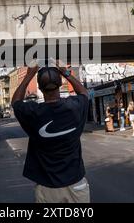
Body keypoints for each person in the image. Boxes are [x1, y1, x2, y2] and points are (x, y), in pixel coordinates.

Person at [11, 60, 90, 203]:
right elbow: (84, 93)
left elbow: (16, 103)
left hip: (47, 188)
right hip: (76, 184)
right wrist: (65, 73)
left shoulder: (33, 113)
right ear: (60, 84)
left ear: (40, 88)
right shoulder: (75, 107)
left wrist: (29, 75)